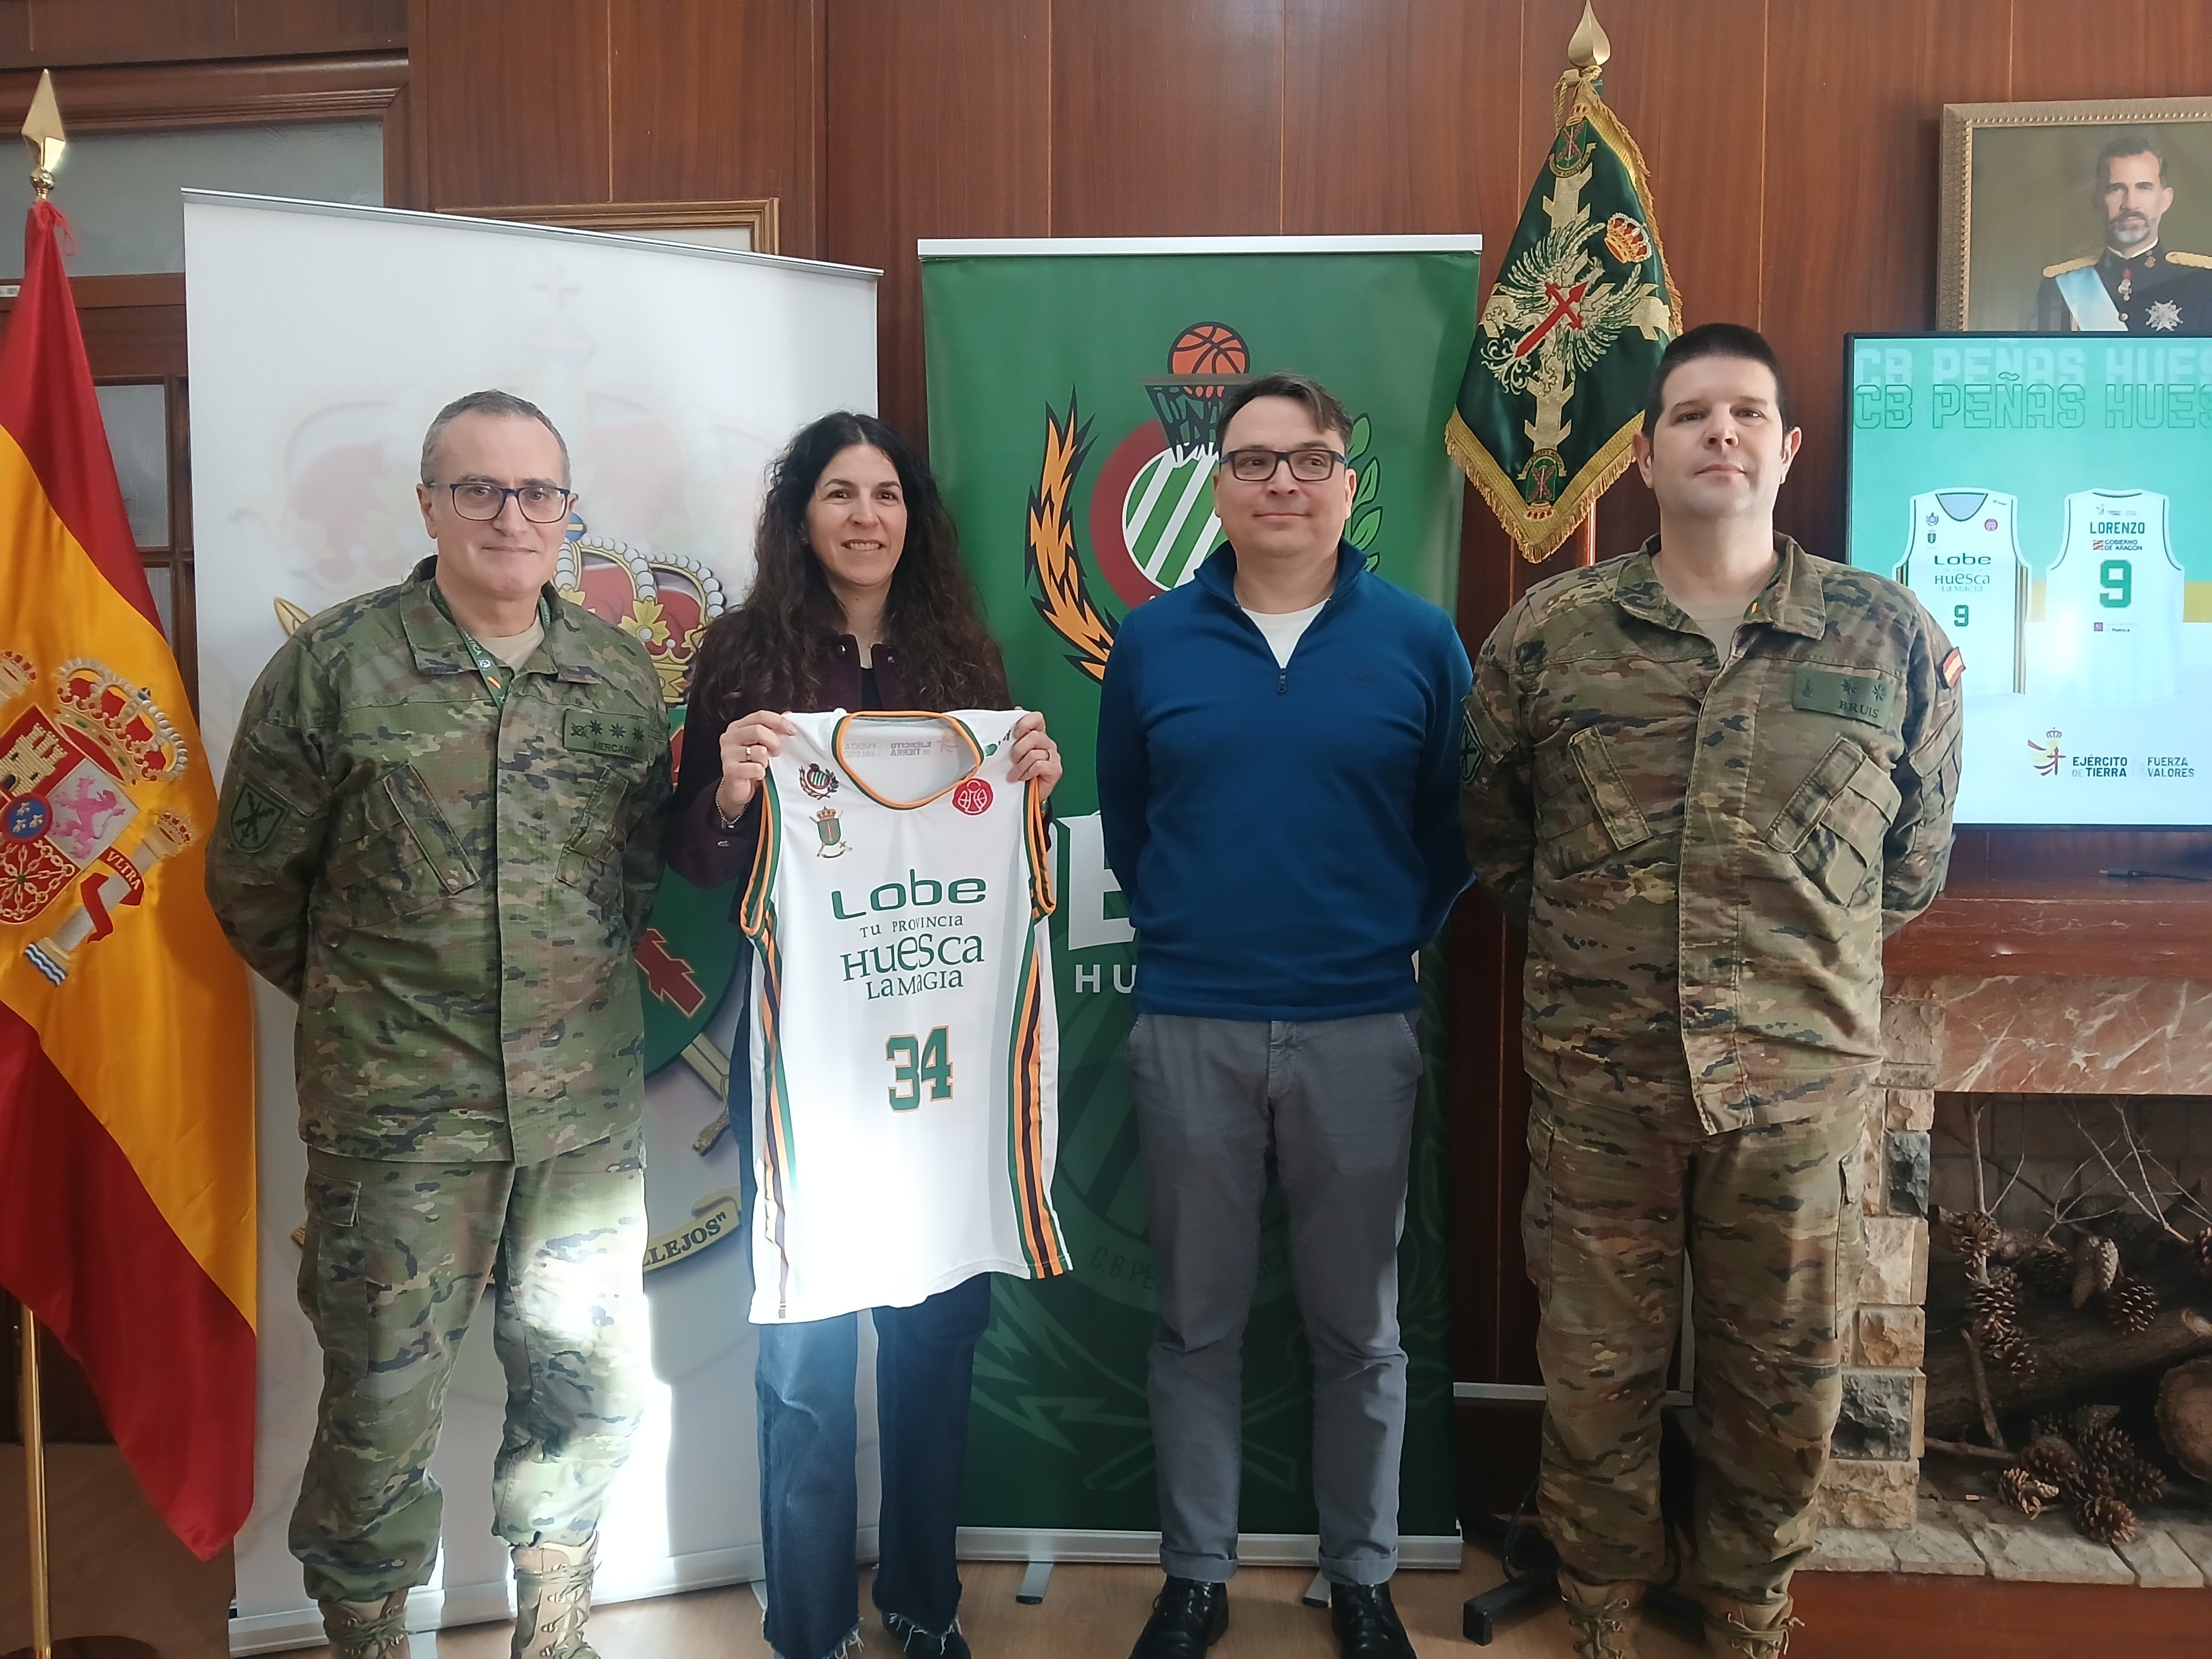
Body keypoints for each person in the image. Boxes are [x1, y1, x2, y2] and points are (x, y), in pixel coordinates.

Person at [1460, 324, 1962, 1659]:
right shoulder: (1550, 635)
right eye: (1689, 415)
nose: (1717, 434)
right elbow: (1498, 840)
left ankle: (1746, 1608)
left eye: (1745, 413)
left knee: (1780, 1382)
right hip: (1599, 1091)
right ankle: (1605, 1604)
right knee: (1593, 1376)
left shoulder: (1885, 638)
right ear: (1642, 453)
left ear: (1786, 448)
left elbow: (1907, 865)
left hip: (1793, 1098)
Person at [205, 390, 673, 1659]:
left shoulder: (619, 678)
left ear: (568, 516)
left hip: (576, 1118)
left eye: (537, 494)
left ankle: (554, 1635)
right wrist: (379, 1013)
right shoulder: (337, 668)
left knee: (581, 1390)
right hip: (398, 1122)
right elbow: (251, 885)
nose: (510, 517)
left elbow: (628, 880)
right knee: (379, 1412)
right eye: (478, 490)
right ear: (428, 505)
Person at [665, 410, 1063, 1659]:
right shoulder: (742, 658)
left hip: (937, 1061)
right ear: (801, 518)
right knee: (806, 1353)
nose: (863, 516)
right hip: (806, 1063)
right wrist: (728, 788)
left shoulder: (961, 655)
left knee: (937, 1342)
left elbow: (995, 853)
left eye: (884, 494)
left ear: (913, 519)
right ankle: (808, 1623)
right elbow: (689, 852)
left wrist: (1030, 786)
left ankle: (924, 1601)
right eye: (837, 493)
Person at [1095, 372, 1471, 1659]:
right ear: (1216, 482)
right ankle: (1193, 1577)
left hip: (1358, 1026)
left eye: (1305, 460)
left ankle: (1358, 1577)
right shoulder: (1150, 644)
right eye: (1253, 462)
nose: (1279, 484)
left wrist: (1383, 939)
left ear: (1343, 480)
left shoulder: (1416, 640)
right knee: (1192, 1320)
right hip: (1189, 1023)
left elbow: (1451, 824)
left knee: (1356, 1329)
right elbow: (1129, 817)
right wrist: (1193, 930)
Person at [2033, 130, 2212, 332]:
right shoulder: (2059, 289)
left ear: (2165, 200)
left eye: (2144, 187)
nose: (2130, 204)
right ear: (2097, 203)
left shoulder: (2204, 286)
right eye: (2116, 189)